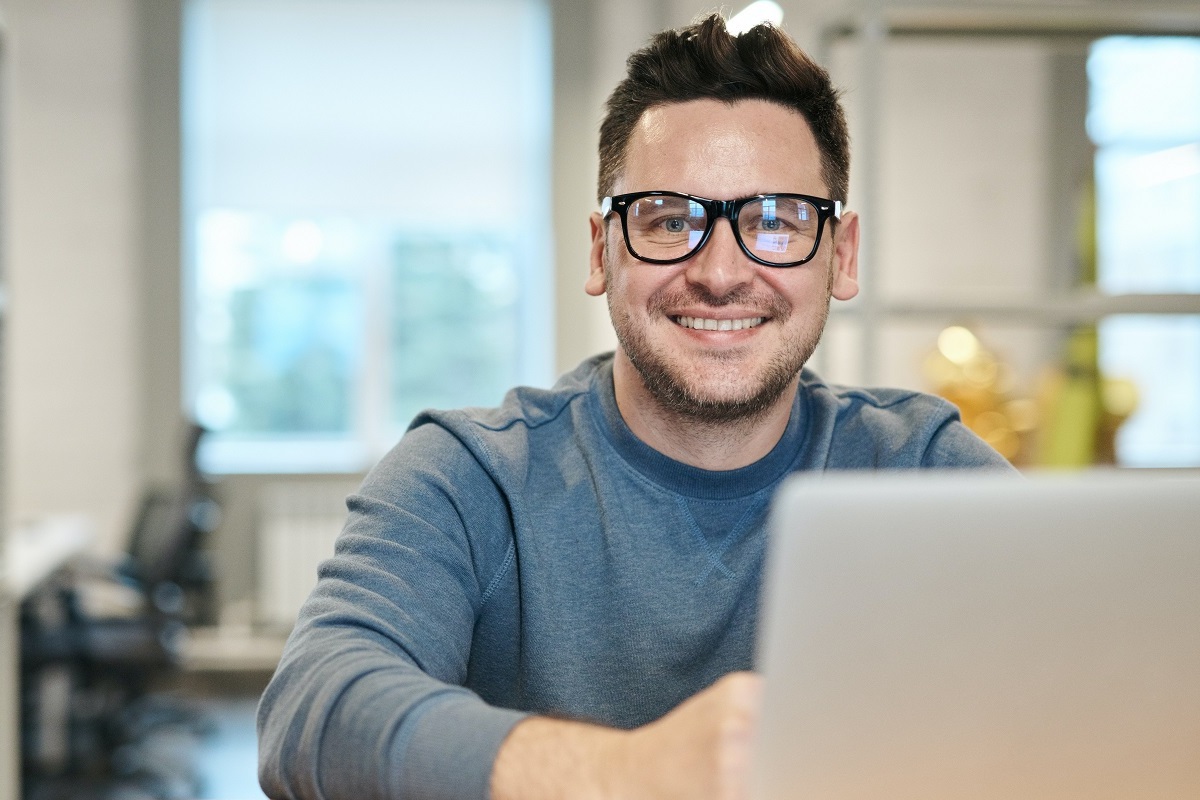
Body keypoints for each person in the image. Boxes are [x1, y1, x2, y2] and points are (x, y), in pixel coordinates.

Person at [257, 14, 1012, 800]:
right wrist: (625, 772)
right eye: (670, 221)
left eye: (775, 222)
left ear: (842, 255)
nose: (720, 273)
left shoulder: (924, 472)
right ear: (601, 250)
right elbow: (314, 715)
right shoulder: (472, 477)